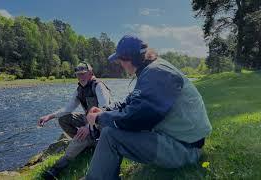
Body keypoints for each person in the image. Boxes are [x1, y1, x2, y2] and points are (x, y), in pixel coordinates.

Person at [85, 35, 212, 180]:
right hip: (181, 141)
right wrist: (105, 111)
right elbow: (130, 103)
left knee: (110, 135)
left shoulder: (157, 73)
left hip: (185, 149)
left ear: (130, 59)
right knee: (111, 125)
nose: (120, 63)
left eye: (121, 60)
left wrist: (100, 118)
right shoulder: (152, 70)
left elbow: (136, 118)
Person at [37, 62, 111, 180]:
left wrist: (88, 127)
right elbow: (68, 108)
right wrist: (49, 116)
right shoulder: (79, 89)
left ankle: (56, 169)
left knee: (78, 141)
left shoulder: (98, 86)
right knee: (63, 119)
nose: (80, 77)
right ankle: (86, 142)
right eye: (78, 75)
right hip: (88, 120)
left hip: (102, 123)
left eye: (83, 74)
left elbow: (105, 109)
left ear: (91, 73)